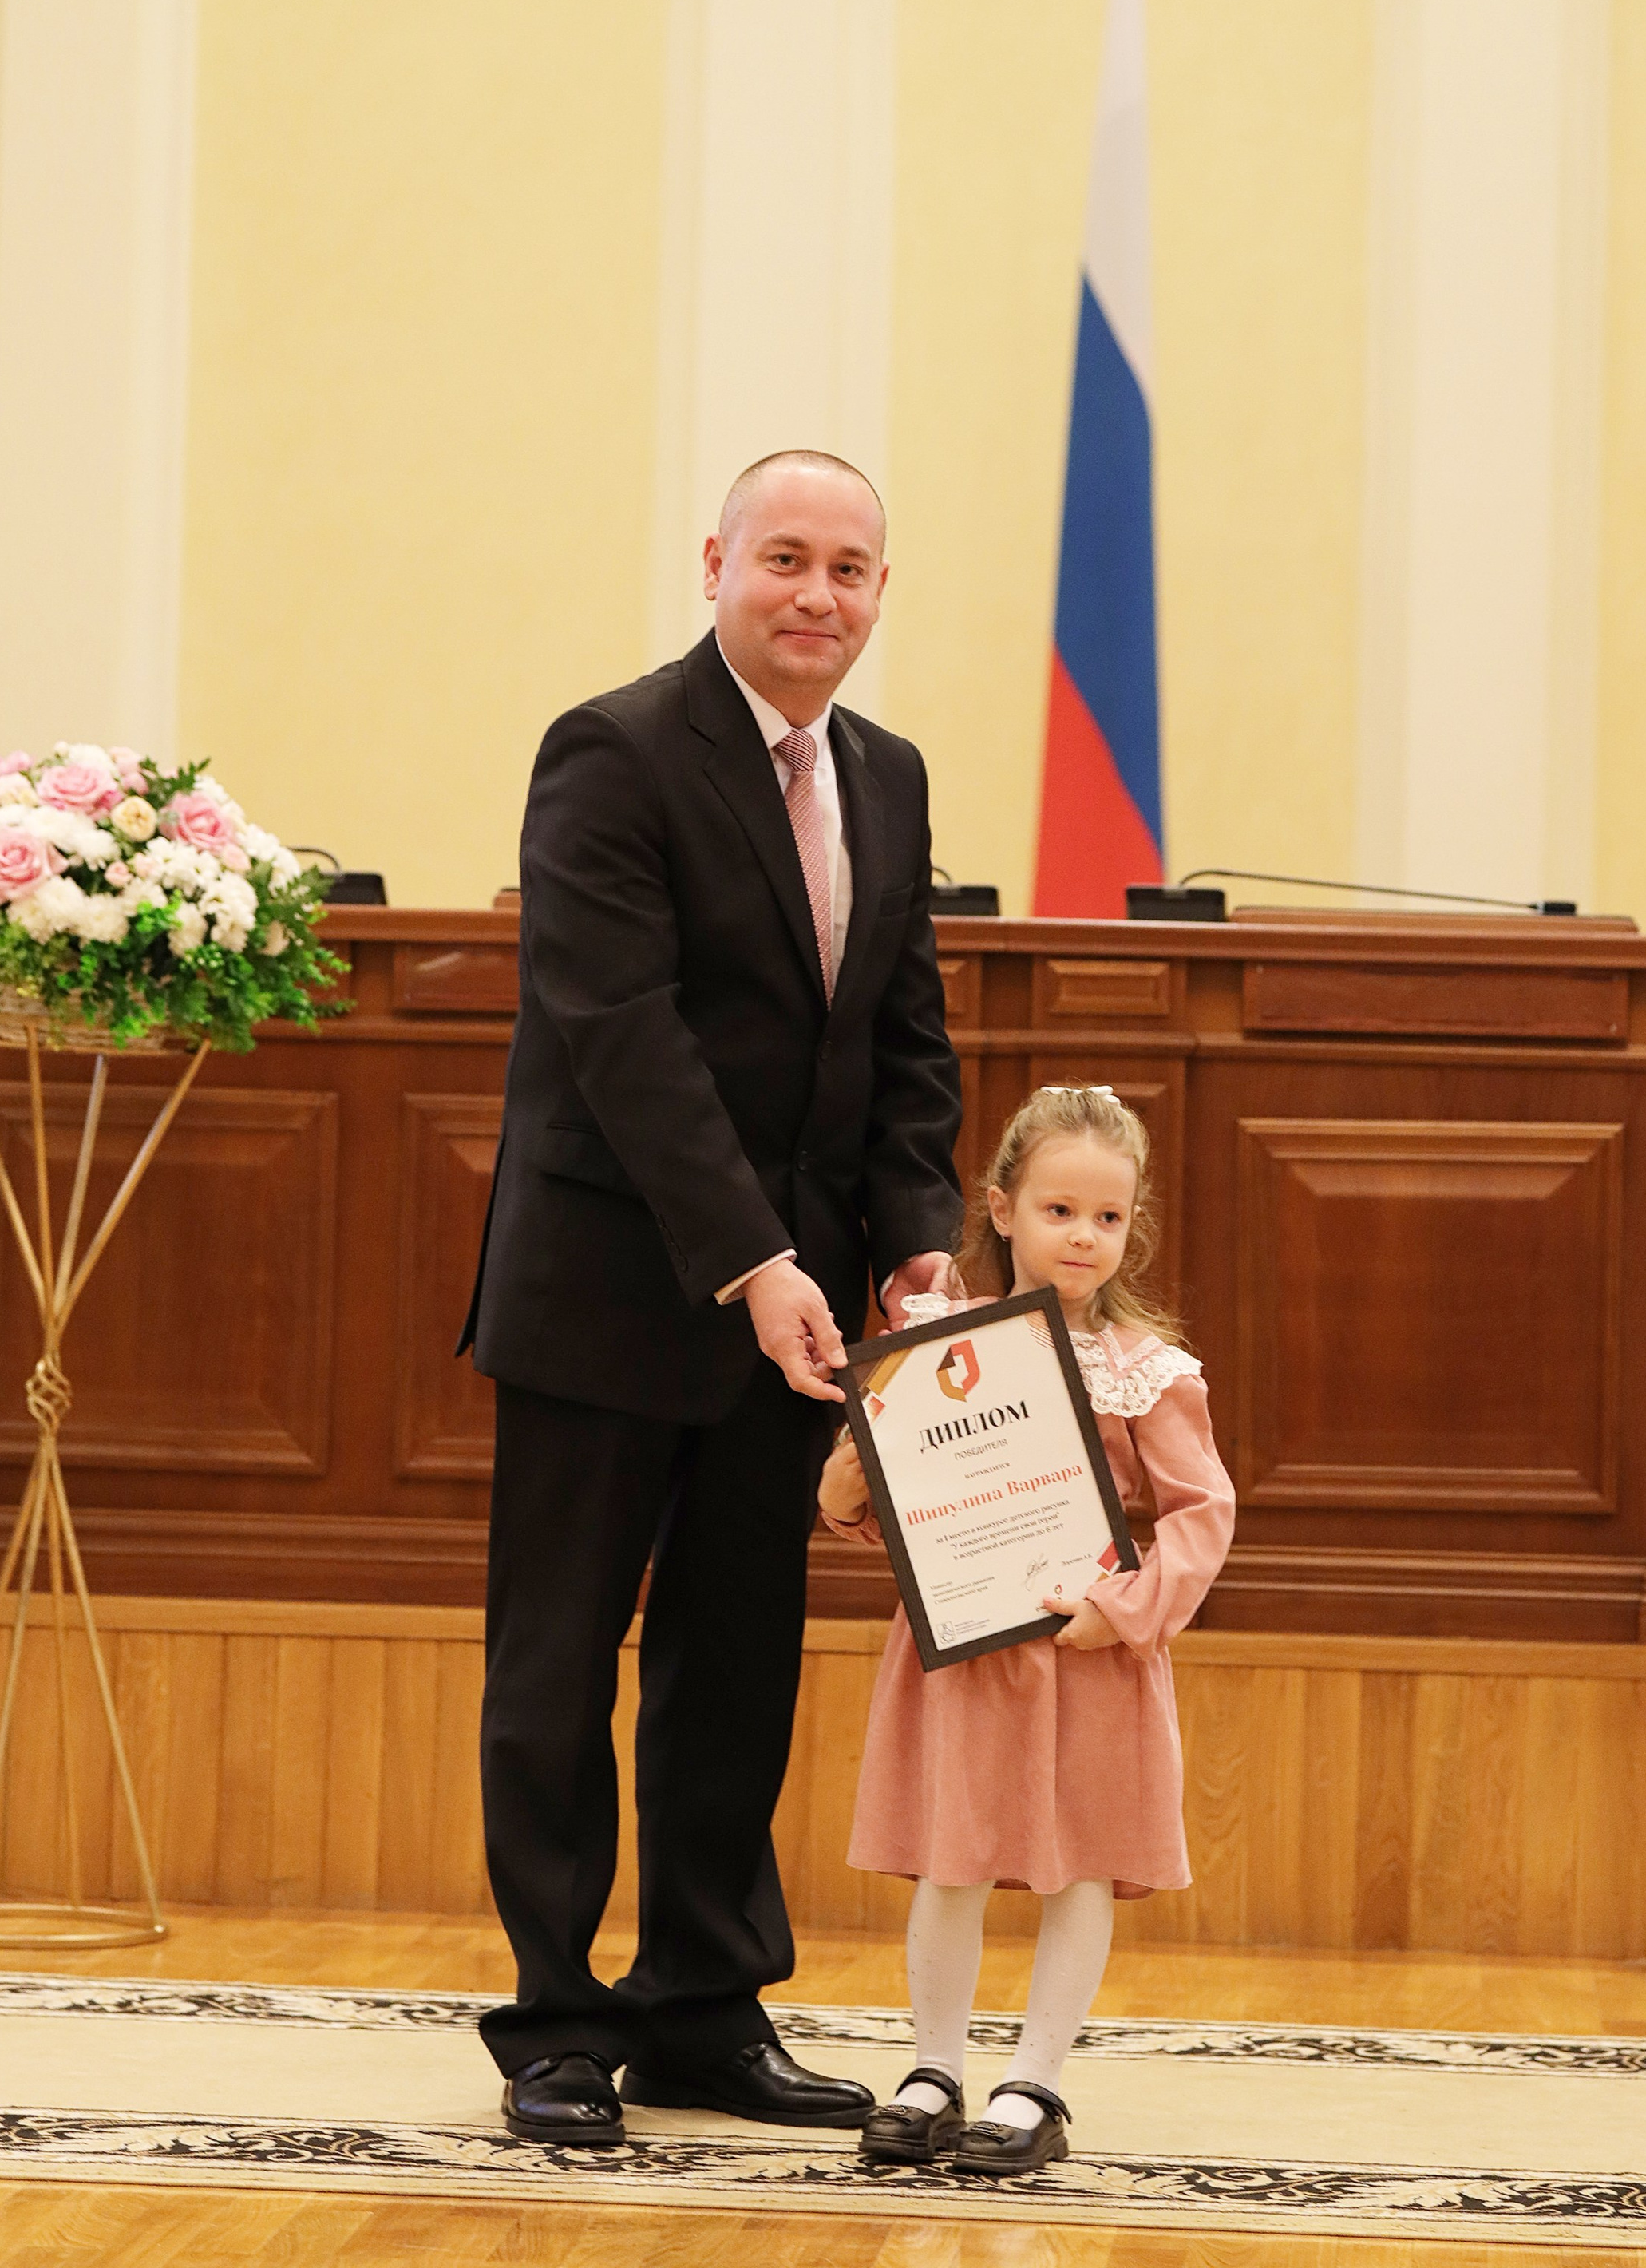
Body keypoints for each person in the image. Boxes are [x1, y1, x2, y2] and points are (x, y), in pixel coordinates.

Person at [460, 451, 963, 2147]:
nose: (818, 596)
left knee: (734, 1666)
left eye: (851, 570)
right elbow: (622, 1038)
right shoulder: (609, 751)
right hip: (615, 1290)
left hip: (804, 1310)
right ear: (715, 565)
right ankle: (552, 2022)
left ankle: (700, 2009)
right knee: (556, 1666)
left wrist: (911, 1234)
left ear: (879, 593)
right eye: (786, 561)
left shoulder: (884, 777)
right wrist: (752, 1262)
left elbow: (900, 1040)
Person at [818, 1083, 1234, 2177]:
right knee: (951, 1859)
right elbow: (868, 1503)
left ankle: (1035, 2082)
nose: (1083, 1236)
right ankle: (933, 2069)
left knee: (1080, 1867)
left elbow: (1204, 1515)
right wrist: (853, 1472)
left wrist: (1124, 1609)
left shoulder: (1147, 1369)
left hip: (1085, 1654)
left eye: (1107, 1216)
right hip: (959, 1651)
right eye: (1058, 1211)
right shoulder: (928, 1344)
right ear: (1001, 1209)